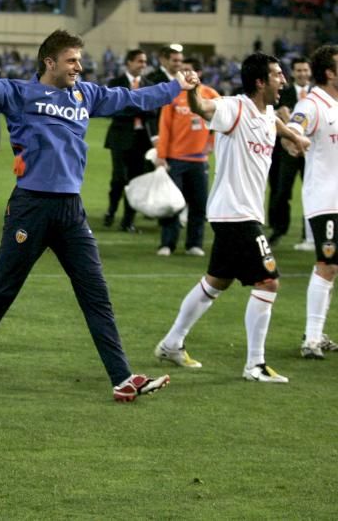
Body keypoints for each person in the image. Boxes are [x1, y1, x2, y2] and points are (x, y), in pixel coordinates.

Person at [0, 24, 193, 402]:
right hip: (31, 206)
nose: (78, 66)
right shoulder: (22, 93)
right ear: (50, 62)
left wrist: (175, 86)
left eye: (80, 60)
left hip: (71, 211)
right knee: (3, 288)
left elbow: (135, 99)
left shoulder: (86, 95)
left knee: (95, 293)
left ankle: (122, 377)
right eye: (71, 60)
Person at [154, 53, 310, 382]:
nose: (282, 80)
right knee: (268, 281)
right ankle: (255, 364)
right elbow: (203, 109)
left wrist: (292, 136)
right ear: (259, 81)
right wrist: (194, 90)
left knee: (216, 282)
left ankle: (171, 343)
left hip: (237, 212)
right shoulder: (233, 107)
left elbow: (272, 122)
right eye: (277, 75)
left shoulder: (266, 111)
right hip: (235, 213)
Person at [288, 45, 338, 359]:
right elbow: (295, 127)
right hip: (325, 199)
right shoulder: (312, 104)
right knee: (328, 264)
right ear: (330, 72)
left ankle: (316, 332)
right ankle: (312, 338)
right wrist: (294, 139)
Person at [155, 56, 219, 256]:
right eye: (182, 70)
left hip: (199, 160)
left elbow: (222, 122)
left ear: (198, 73)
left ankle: (194, 244)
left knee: (199, 205)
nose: (183, 73)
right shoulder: (174, 94)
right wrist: (161, 155)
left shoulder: (210, 95)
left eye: (188, 70)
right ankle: (167, 243)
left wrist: (211, 143)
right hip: (175, 158)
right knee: (172, 204)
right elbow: (164, 127)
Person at [102, 49, 151, 231]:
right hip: (120, 138)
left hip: (141, 140)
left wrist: (131, 106)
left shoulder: (148, 84)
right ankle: (111, 211)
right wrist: (139, 107)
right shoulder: (116, 83)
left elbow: (153, 111)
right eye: (140, 61)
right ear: (129, 63)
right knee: (118, 179)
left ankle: (128, 221)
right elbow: (113, 109)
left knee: (135, 181)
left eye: (145, 61)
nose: (143, 65)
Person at [267, 56, 312, 246]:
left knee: (311, 191)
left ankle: (308, 234)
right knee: (282, 191)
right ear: (293, 73)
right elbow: (271, 116)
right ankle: (279, 229)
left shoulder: (317, 95)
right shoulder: (282, 92)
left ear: (310, 72)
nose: (302, 73)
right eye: (298, 70)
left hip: (311, 151)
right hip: (287, 151)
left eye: (305, 70)